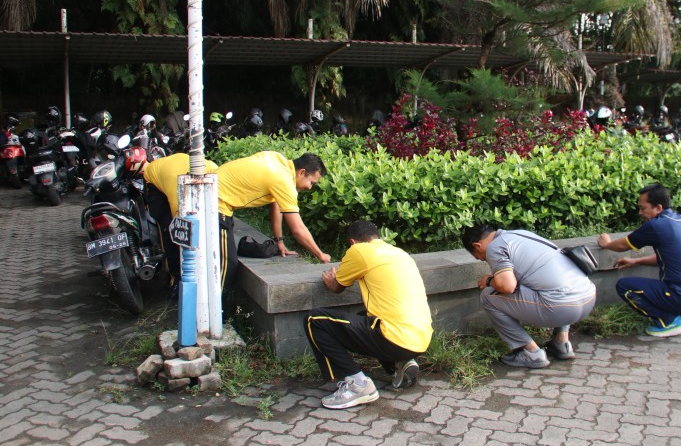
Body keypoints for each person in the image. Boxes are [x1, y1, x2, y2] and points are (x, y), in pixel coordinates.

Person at [306, 220, 433, 409]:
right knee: (363, 315)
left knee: (315, 320)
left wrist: (330, 279)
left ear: (352, 242)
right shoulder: (400, 253)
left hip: (394, 338)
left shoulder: (359, 251)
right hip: (421, 339)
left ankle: (358, 384)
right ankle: (400, 363)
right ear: (378, 237)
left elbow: (336, 287)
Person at [461, 225, 597, 369]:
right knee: (551, 284)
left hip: (560, 307)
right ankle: (561, 343)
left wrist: (489, 280)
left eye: (479, 256)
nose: (483, 259)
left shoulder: (495, 247)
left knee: (487, 296)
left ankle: (530, 352)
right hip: (588, 297)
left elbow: (507, 286)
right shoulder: (522, 234)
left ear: (477, 245)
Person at [597, 183, 681, 337]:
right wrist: (637, 261)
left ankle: (669, 322)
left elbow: (624, 245)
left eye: (643, 208)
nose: (640, 212)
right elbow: (671, 258)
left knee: (625, 287)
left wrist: (607, 243)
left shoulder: (657, 225)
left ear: (658, 208)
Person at [217, 151, 330, 293]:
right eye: (311, 182)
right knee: (227, 263)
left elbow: (277, 205)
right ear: (301, 172)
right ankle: (218, 311)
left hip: (212, 194)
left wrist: (279, 241)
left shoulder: (278, 160)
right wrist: (320, 254)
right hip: (215, 203)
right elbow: (298, 229)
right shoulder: (284, 181)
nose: (309, 187)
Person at [143, 153, 219, 283]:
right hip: (156, 180)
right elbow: (179, 220)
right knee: (170, 231)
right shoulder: (175, 185)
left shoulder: (213, 169)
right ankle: (175, 278)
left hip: (175, 166)